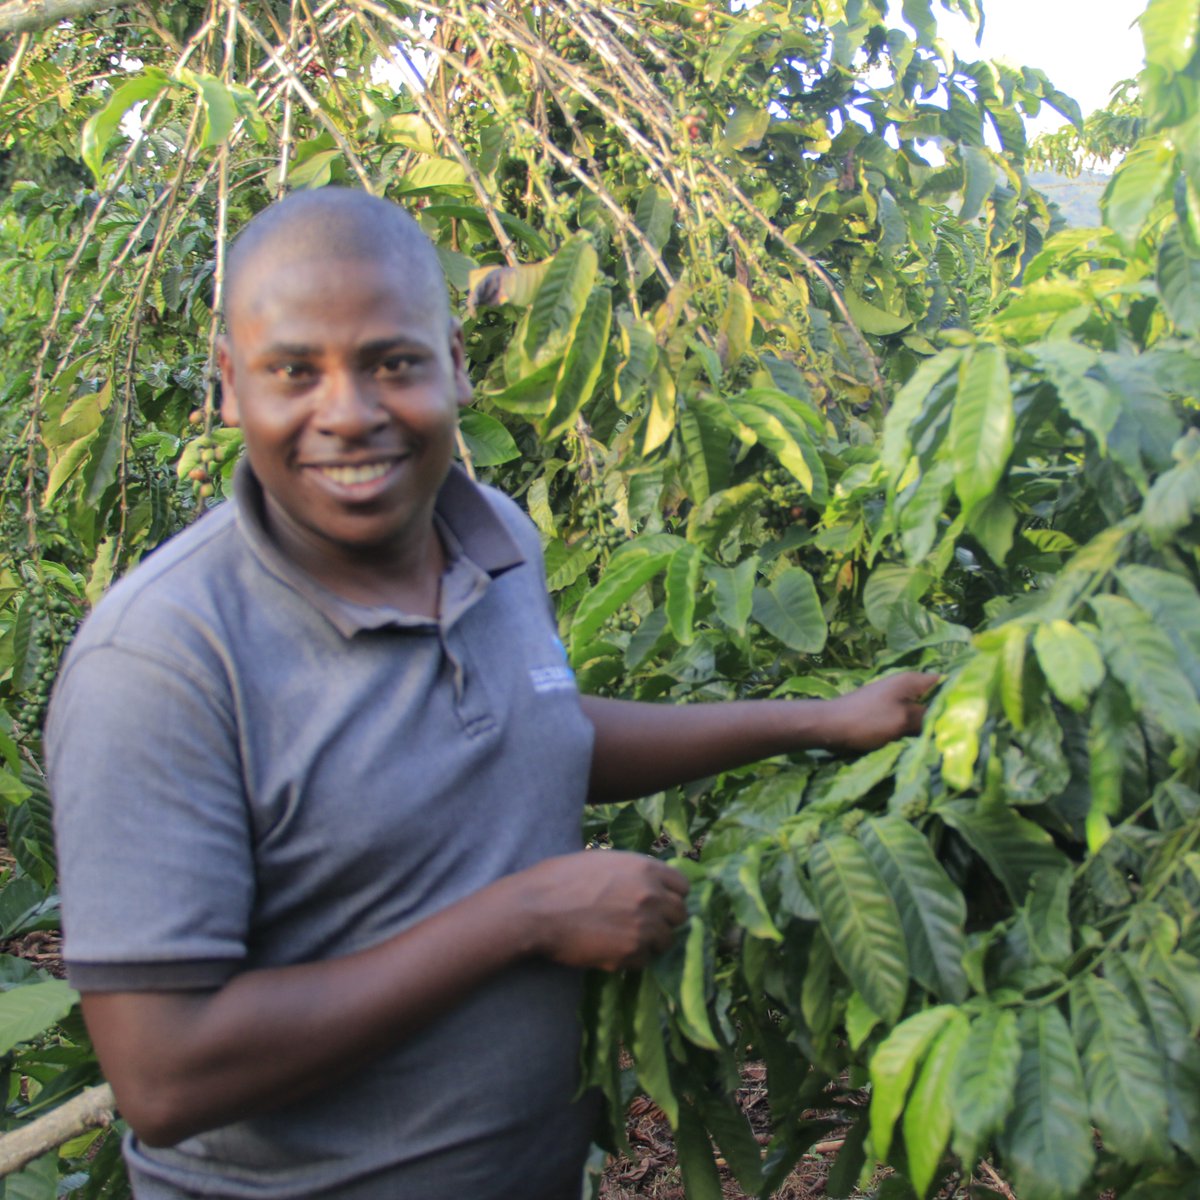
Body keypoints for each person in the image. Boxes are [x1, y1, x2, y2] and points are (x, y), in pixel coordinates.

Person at [47, 188, 935, 1200]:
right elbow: (165, 1075)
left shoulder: (497, 537)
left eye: (394, 362)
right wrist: (519, 917)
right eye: (296, 371)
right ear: (227, 385)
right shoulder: (163, 658)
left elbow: (535, 725)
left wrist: (818, 720)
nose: (349, 412)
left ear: (457, 365)